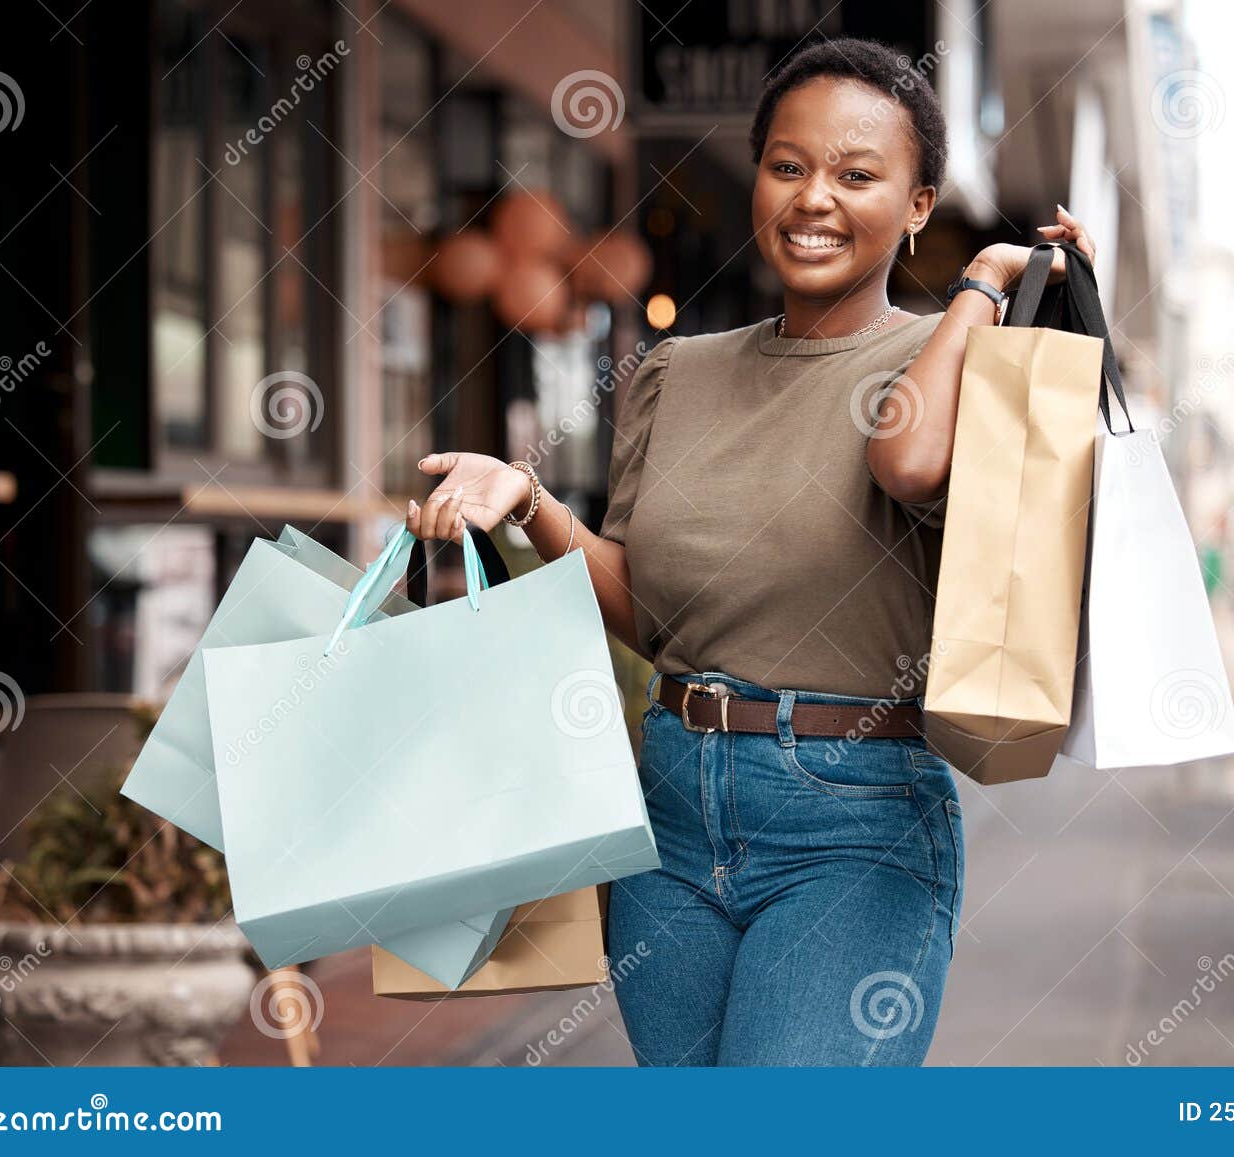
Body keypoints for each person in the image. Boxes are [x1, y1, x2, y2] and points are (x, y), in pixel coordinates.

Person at [405, 36, 1095, 1066]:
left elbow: (904, 461)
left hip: (854, 825)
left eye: (858, 176)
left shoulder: (964, 366)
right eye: (788, 165)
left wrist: (984, 285)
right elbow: (655, 612)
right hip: (671, 812)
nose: (815, 197)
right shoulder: (671, 373)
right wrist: (528, 502)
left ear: (917, 205)